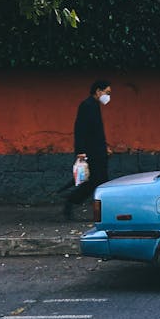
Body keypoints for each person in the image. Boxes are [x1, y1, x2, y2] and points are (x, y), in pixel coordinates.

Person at [63, 79, 112, 219]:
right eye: (107, 93)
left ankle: (74, 201)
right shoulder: (86, 105)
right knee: (98, 181)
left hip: (98, 151)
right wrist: (80, 151)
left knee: (98, 181)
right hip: (92, 152)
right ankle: (72, 200)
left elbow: (96, 131)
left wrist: (105, 146)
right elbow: (80, 130)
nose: (108, 97)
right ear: (98, 91)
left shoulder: (94, 105)